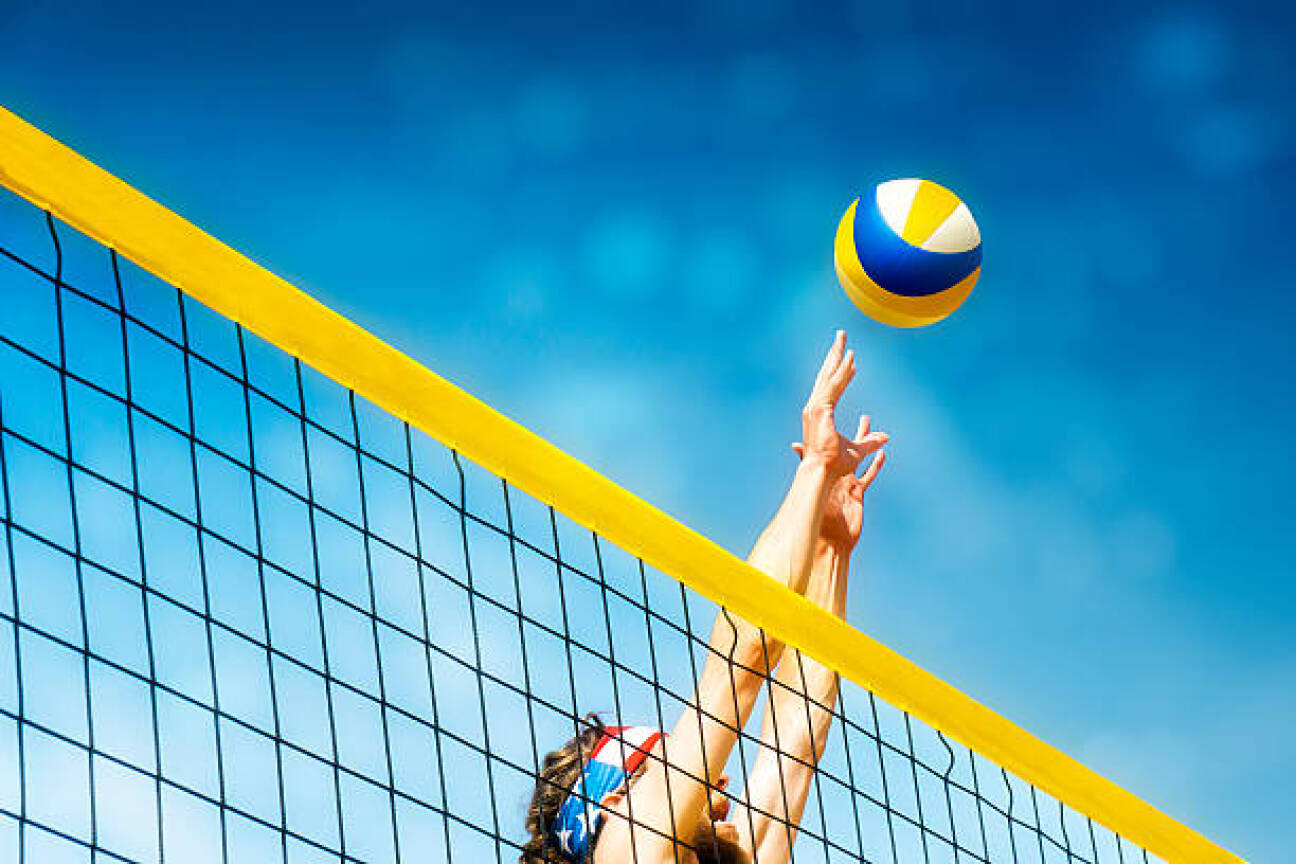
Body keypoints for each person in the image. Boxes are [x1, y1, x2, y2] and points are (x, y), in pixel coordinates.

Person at [521, 332, 888, 864]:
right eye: (670, 755)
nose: (713, 769)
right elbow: (743, 662)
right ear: (620, 799)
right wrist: (813, 469)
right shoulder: (627, 853)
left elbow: (798, 745)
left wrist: (831, 549)